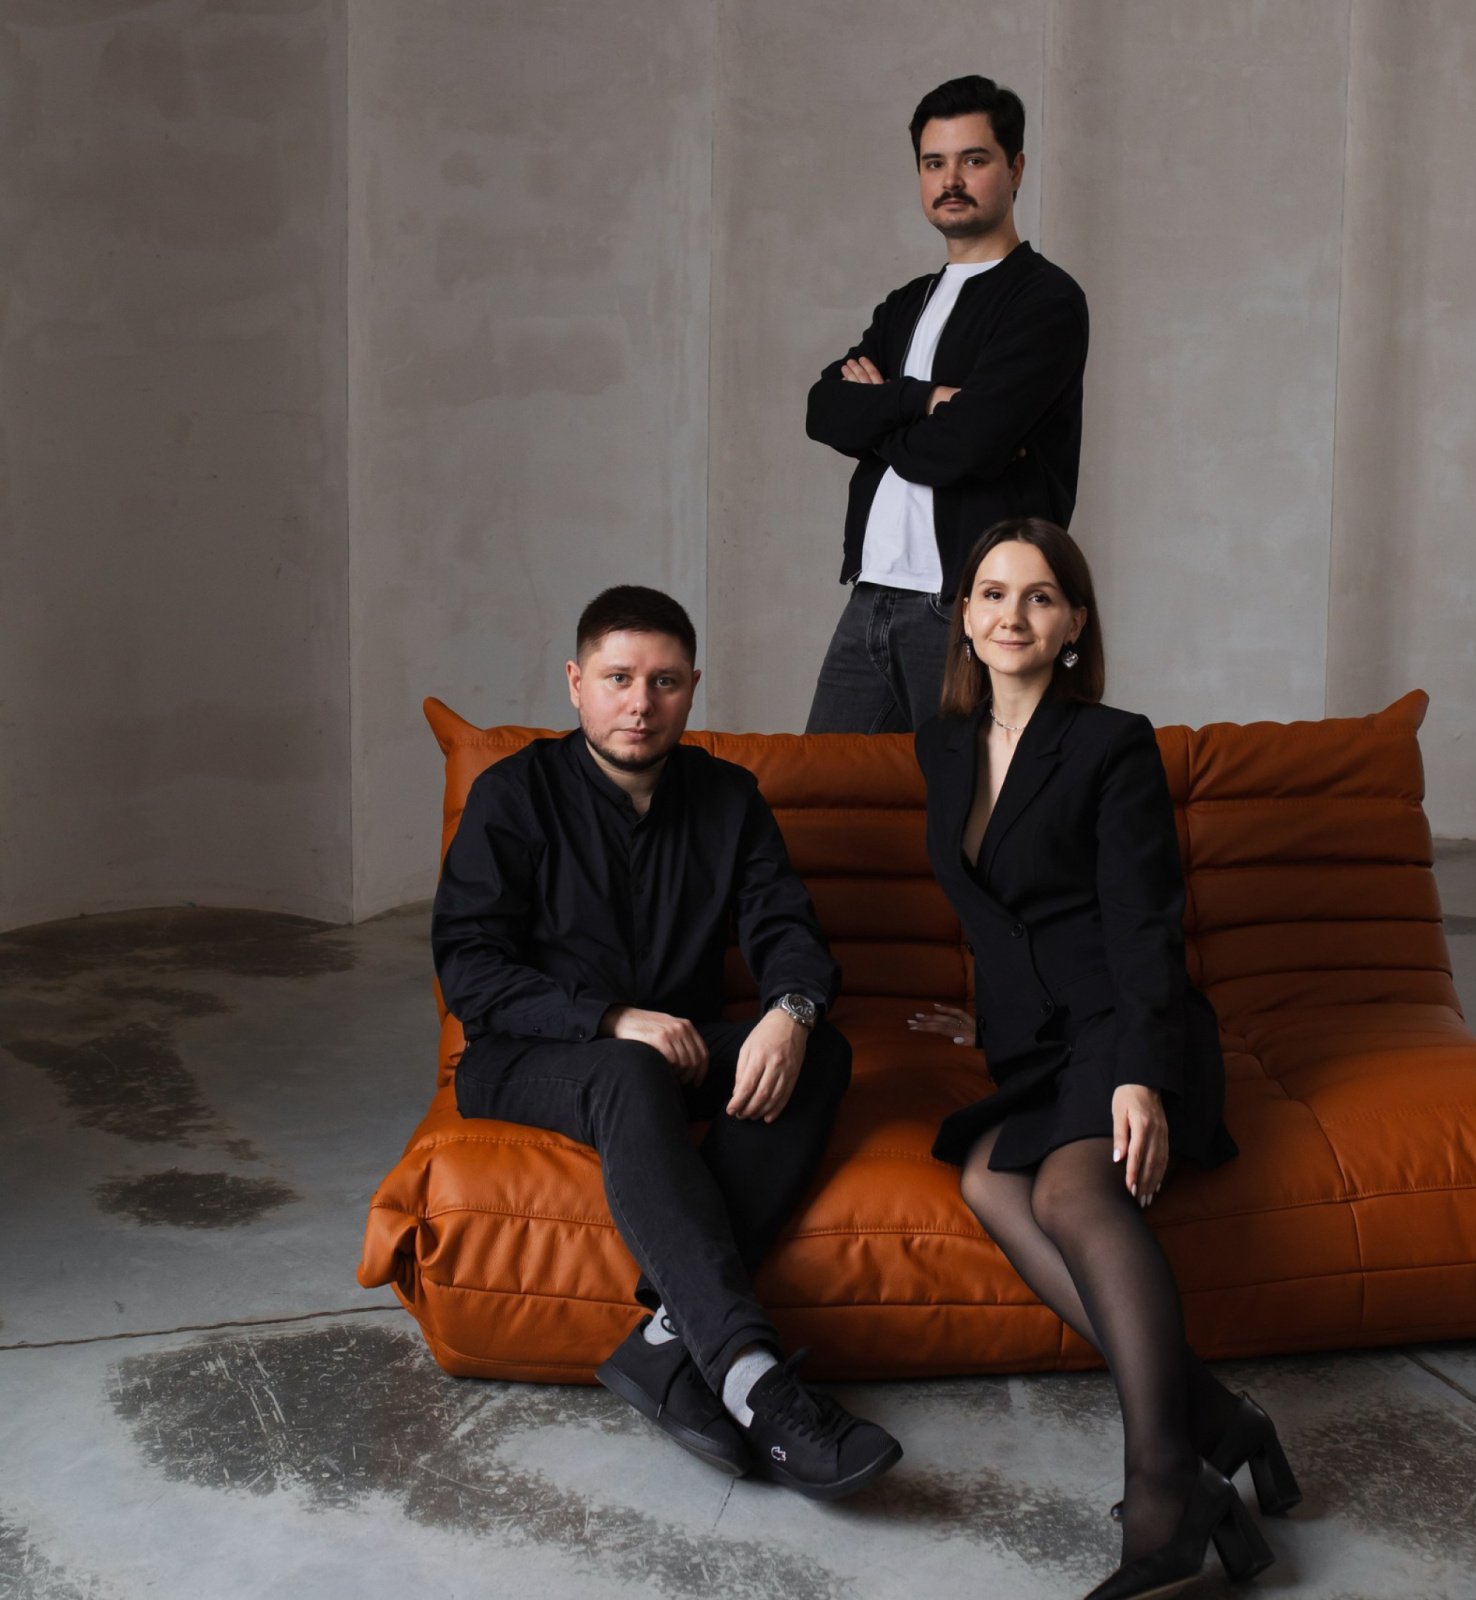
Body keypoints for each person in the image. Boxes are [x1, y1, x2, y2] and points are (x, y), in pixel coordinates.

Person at [433, 584, 901, 1501]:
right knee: (628, 1066)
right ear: (576, 684)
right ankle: (752, 1381)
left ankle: (665, 1341)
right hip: (527, 1057)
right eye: (618, 678)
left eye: (664, 681)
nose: (640, 703)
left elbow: (787, 931)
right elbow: (471, 972)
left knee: (822, 1053)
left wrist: (790, 1010)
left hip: (670, 1055)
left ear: (692, 688)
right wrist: (611, 1018)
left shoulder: (727, 798)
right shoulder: (513, 795)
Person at [910, 520, 1299, 1599]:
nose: (1011, 615)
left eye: (1040, 596)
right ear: (964, 616)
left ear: (1074, 623)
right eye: (992, 593)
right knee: (987, 1177)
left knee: (1071, 1192)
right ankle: (1221, 1420)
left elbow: (1142, 923)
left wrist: (1140, 1071)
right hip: (1036, 1040)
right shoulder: (942, 743)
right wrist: (983, 1019)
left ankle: (1167, 1486)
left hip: (1131, 1022)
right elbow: (996, 907)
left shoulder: (1113, 743)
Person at [804, 74, 1089, 734]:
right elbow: (824, 409)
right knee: (821, 793)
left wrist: (881, 415)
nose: (951, 179)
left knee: (971, 795)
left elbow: (964, 446)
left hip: (970, 606)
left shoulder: (1045, 301)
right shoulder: (906, 304)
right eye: (934, 163)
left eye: (974, 159)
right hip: (871, 596)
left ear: (1015, 169)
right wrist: (925, 400)